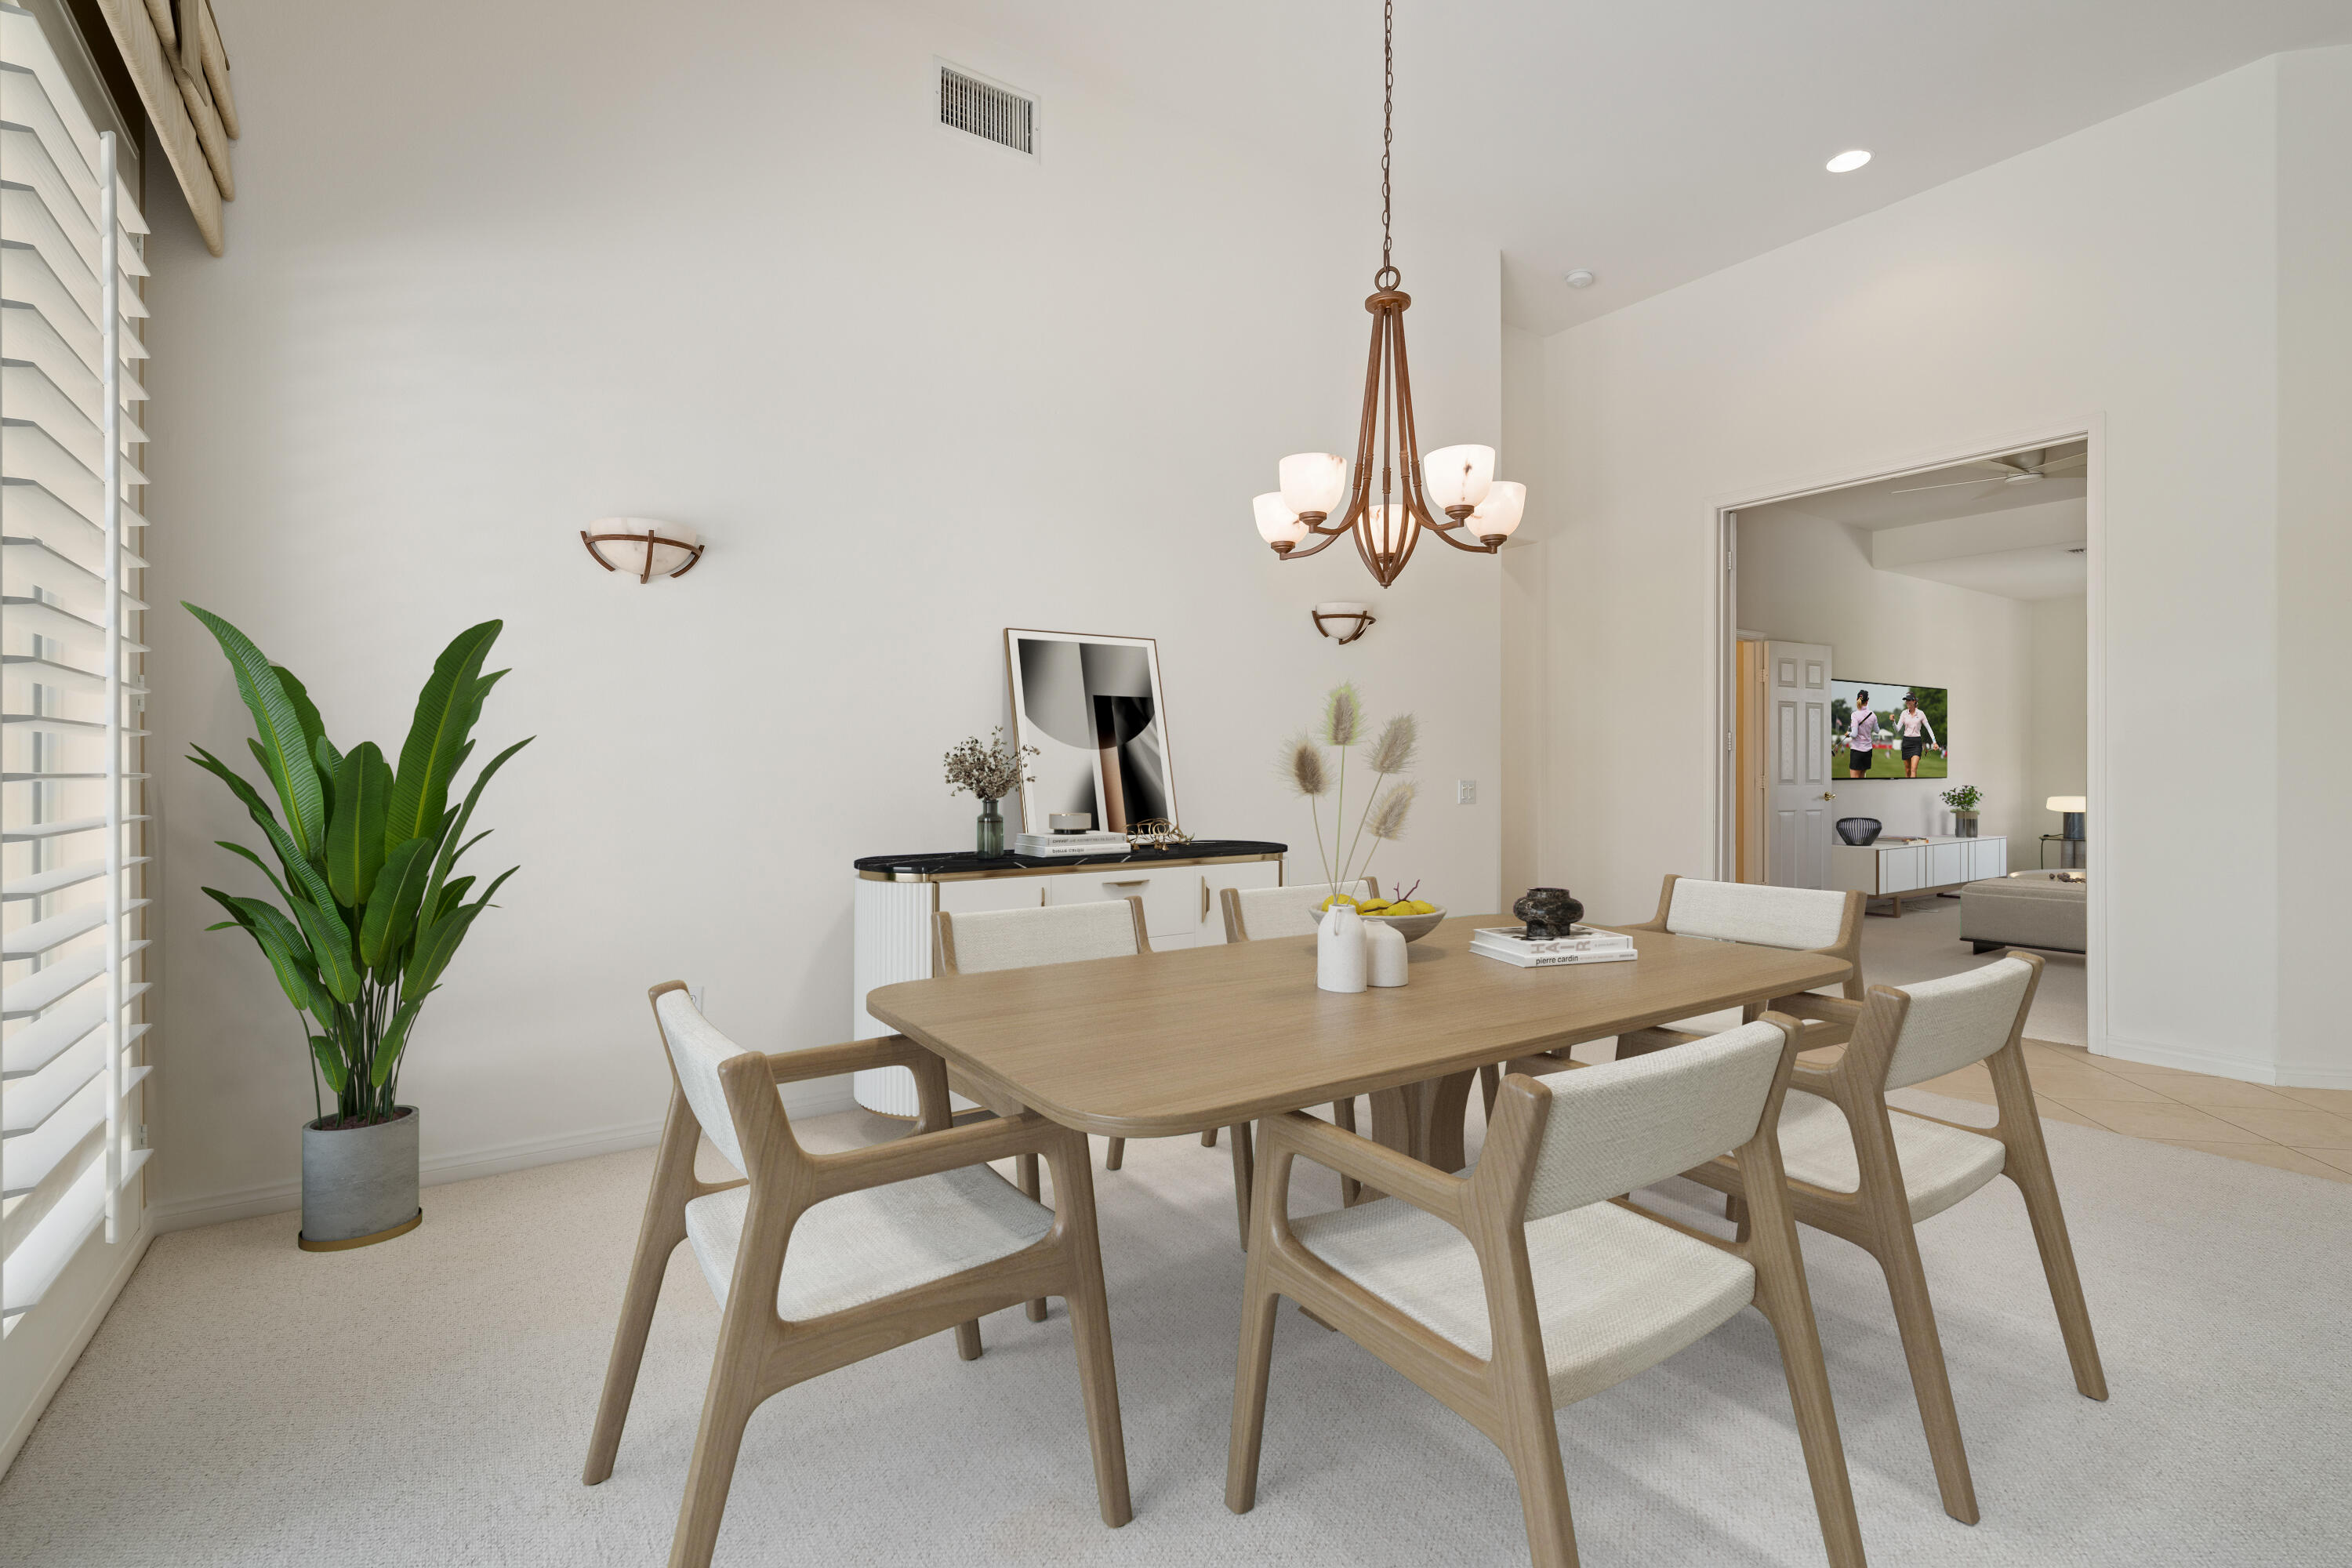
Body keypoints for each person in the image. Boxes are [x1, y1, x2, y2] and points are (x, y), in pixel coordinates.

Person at [1896, 692, 1940, 778]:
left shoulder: (1921, 713)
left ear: (1914, 701)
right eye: (1906, 700)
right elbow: (1897, 729)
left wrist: (1934, 742)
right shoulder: (1904, 713)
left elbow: (1929, 728)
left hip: (1916, 743)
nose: (1907, 702)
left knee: (1913, 769)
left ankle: (1913, 789)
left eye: (1909, 700)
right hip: (1906, 742)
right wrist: (1893, 721)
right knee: (1908, 770)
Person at [1846, 689, 1877, 778]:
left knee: (1854, 781)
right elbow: (1877, 730)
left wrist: (1848, 734)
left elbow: (1854, 734)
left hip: (1857, 750)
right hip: (1868, 751)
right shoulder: (1873, 715)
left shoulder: (1855, 715)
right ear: (1867, 701)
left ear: (1857, 699)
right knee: (1862, 779)